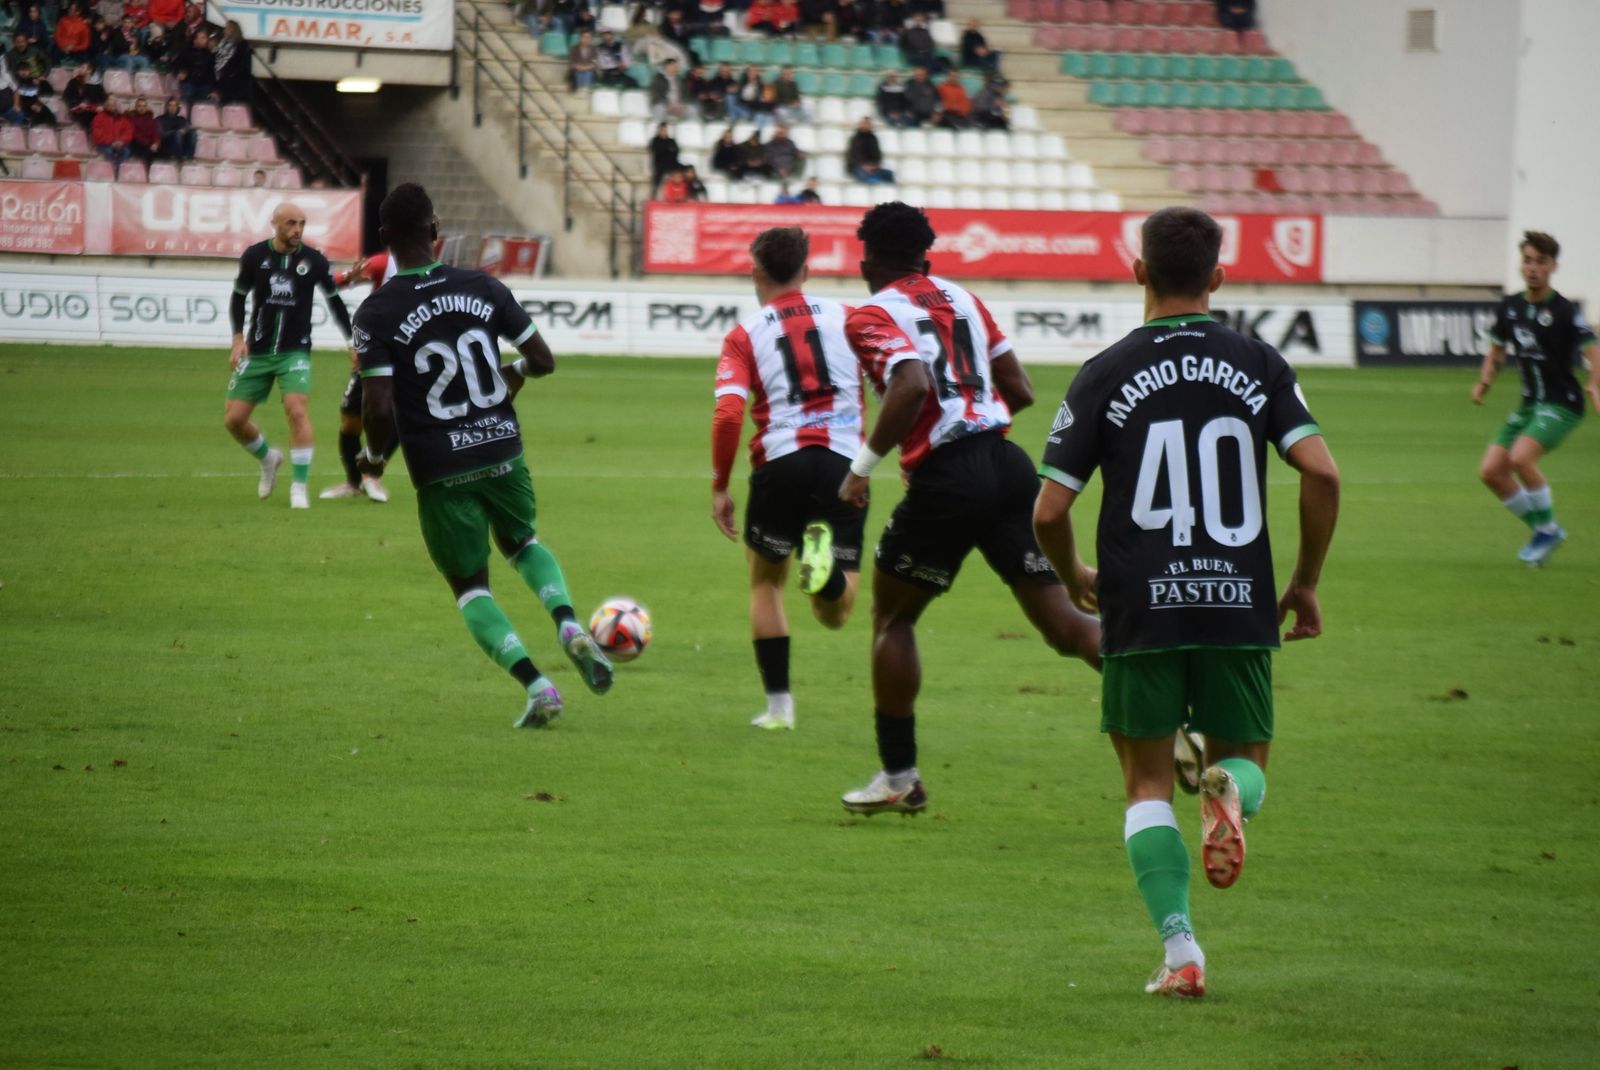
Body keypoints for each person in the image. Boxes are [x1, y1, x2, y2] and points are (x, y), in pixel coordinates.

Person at [1032, 205, 1340, 999]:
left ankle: (1181, 953)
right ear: (1218, 276)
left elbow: (1048, 512)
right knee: (1242, 761)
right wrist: (1302, 581)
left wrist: (1072, 576)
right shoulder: (1260, 363)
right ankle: (1231, 791)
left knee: (1145, 788)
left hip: (1141, 607)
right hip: (1240, 602)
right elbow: (1323, 472)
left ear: (1137, 273)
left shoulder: (1103, 371)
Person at [836, 202, 1102, 815]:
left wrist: (860, 470)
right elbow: (1022, 391)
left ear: (869, 259)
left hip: (947, 477)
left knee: (892, 618)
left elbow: (910, 385)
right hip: (1009, 466)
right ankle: (1174, 717)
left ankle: (899, 776)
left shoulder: (871, 313)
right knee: (1065, 626)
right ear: (925, 255)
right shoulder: (963, 298)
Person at [351, 182, 614, 728]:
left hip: (440, 467)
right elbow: (542, 359)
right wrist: (508, 376)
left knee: (470, 586)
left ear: (383, 240)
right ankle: (566, 621)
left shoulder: (375, 312)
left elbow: (378, 406)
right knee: (523, 543)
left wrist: (374, 459)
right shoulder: (483, 285)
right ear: (435, 230)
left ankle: (538, 686)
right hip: (501, 449)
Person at [711, 226, 866, 731]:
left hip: (781, 462)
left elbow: (730, 414)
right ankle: (823, 573)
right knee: (836, 612)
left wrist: (720, 485)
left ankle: (779, 708)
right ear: (808, 269)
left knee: (766, 584)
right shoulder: (849, 319)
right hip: (845, 462)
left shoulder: (743, 335)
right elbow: (901, 383)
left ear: (756, 271)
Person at [1472, 230, 1600, 565]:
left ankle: (1545, 531)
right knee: (1491, 472)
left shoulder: (1563, 310)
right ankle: (1546, 529)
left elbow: (1593, 350)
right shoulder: (1510, 308)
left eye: (1540, 262)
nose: (1532, 268)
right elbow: (1497, 349)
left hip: (1563, 403)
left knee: (1520, 459)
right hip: (1529, 405)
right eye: (1527, 260)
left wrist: (1594, 385)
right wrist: (1486, 379)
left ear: (1553, 266)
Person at [224, 201, 354, 510]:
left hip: (295, 351)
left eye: (302, 224)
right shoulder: (255, 257)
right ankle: (269, 458)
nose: (297, 230)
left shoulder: (314, 261)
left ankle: (299, 486)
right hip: (258, 351)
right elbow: (239, 297)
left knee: (296, 410)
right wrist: (238, 338)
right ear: (275, 224)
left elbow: (335, 303)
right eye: (291, 223)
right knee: (234, 420)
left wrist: (351, 341)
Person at [845, 116, 894, 183]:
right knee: (868, 178)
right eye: (864, 123)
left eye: (868, 124)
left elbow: (877, 155)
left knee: (889, 174)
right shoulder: (855, 139)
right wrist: (864, 166)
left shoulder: (873, 138)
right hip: (857, 167)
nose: (866, 125)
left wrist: (874, 165)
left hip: (872, 167)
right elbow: (853, 156)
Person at [213, 19, 250, 104]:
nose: (224, 31)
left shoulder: (242, 45)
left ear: (233, 30)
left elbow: (241, 65)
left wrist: (229, 73)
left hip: (235, 83)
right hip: (222, 81)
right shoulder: (222, 43)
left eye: (226, 28)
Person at [90, 95, 133, 164]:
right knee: (109, 152)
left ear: (116, 106)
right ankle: (113, 172)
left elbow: (128, 132)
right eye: (109, 105)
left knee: (127, 152)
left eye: (113, 105)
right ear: (106, 106)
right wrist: (112, 142)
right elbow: (97, 135)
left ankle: (120, 172)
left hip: (119, 144)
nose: (111, 107)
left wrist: (121, 141)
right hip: (103, 145)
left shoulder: (122, 118)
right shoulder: (98, 118)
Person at [648, 57, 687, 124]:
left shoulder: (679, 79)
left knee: (691, 108)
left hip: (678, 106)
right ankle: (660, 130)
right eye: (675, 66)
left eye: (677, 66)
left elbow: (685, 93)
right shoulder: (658, 78)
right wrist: (668, 104)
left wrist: (681, 104)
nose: (677, 68)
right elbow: (656, 94)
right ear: (667, 66)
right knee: (660, 107)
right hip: (663, 105)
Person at [156, 94, 195, 158]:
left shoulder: (182, 119)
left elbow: (186, 130)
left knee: (193, 133)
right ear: (166, 107)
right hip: (167, 145)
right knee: (177, 134)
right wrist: (176, 132)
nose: (172, 108)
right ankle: (178, 157)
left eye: (174, 105)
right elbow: (161, 135)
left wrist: (184, 131)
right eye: (170, 105)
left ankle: (189, 157)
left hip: (181, 144)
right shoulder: (160, 119)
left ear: (177, 107)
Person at [647, 120, 680, 192]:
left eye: (665, 130)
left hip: (671, 163)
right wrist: (667, 150)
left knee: (682, 169)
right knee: (658, 175)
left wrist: (667, 150)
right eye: (662, 130)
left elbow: (676, 151)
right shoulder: (655, 140)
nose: (664, 132)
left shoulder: (671, 140)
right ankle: (654, 192)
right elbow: (655, 151)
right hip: (659, 163)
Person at [125, 94, 159, 160]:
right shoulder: (131, 118)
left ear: (146, 107)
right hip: (137, 144)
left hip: (148, 145)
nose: (142, 108)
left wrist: (155, 143)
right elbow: (133, 134)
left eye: (144, 106)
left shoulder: (151, 120)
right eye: (139, 106)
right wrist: (148, 143)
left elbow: (155, 133)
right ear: (136, 107)